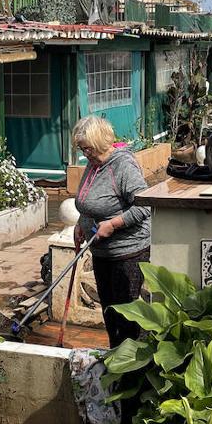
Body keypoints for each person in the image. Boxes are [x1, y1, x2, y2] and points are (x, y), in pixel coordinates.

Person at [71, 116, 151, 347]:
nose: (84, 153)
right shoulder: (93, 163)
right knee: (109, 312)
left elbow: (144, 205)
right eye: (81, 148)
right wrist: (81, 223)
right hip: (101, 252)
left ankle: (129, 369)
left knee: (126, 316)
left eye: (87, 148)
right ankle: (114, 359)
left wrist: (113, 224)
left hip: (127, 253)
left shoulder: (122, 166)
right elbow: (89, 202)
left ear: (99, 143)